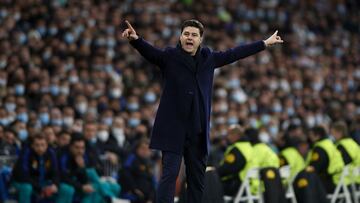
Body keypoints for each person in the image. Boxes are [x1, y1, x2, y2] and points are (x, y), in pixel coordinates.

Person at [122, 19, 283, 203]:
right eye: (186, 34)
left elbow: (234, 53)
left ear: (200, 39)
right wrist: (136, 40)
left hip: (197, 131)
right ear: (181, 37)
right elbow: (151, 53)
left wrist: (264, 43)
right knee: (169, 175)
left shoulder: (209, 58)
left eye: (194, 35)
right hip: (173, 129)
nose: (189, 38)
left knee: (197, 181)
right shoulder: (170, 56)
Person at [11, 134, 59, 203]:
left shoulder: (51, 153)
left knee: (61, 188)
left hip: (40, 182)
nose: (40, 148)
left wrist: (55, 184)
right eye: (37, 145)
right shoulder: (26, 152)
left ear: (47, 145)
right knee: (27, 187)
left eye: (43, 145)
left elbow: (55, 172)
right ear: (32, 145)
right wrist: (40, 188)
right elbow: (24, 175)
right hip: (21, 182)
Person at [217, 124, 255, 196]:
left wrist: (214, 173)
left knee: (210, 185)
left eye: (229, 134)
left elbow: (227, 169)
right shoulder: (249, 147)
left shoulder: (237, 149)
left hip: (239, 186)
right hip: (249, 185)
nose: (228, 137)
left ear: (236, 135)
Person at [306, 126, 344, 193]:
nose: (309, 137)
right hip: (338, 181)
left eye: (311, 135)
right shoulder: (329, 143)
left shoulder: (319, 148)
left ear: (317, 136)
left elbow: (314, 167)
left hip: (329, 183)